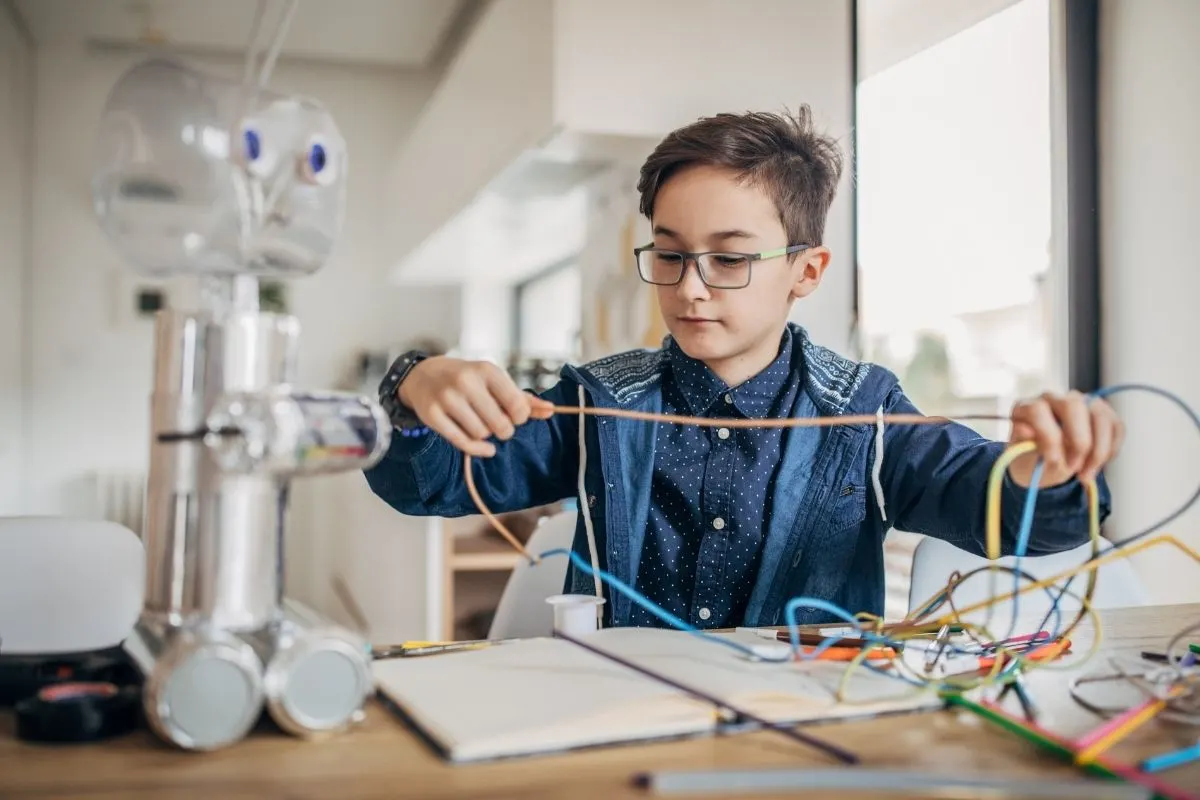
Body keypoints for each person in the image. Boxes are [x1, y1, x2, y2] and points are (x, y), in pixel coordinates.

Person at [364, 105, 1122, 628]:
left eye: (728, 258)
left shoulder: (866, 413)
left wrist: (1049, 469)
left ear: (807, 270)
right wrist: (412, 390)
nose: (690, 287)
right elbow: (423, 483)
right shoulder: (595, 402)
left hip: (800, 736)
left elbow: (989, 502)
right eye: (668, 254)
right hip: (619, 724)